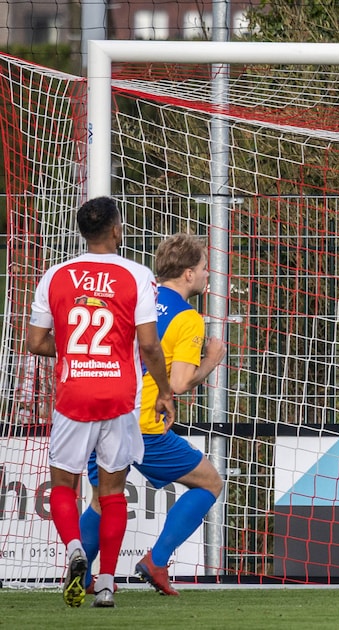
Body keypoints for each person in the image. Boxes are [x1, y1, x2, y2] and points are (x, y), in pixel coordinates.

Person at [26, 196, 175, 608]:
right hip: (120, 397)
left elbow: (36, 341)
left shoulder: (55, 275)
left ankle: (75, 548)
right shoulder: (137, 275)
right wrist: (164, 391)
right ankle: (106, 583)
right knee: (111, 491)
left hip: (73, 395)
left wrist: (79, 354)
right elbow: (148, 345)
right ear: (115, 229)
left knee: (63, 484)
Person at [79, 232, 227, 596]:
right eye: (205, 268)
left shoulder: (135, 297)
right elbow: (177, 384)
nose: (208, 275)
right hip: (143, 424)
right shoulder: (188, 318)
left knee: (102, 498)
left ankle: (79, 576)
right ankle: (156, 560)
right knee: (210, 482)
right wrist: (212, 360)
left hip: (104, 412)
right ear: (189, 275)